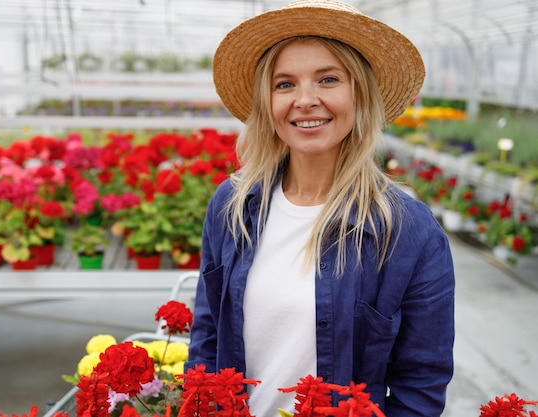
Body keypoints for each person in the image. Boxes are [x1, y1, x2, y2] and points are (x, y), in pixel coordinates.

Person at [186, 1, 455, 416]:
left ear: (359, 94)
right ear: (267, 102)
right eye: (285, 84)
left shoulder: (406, 231)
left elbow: (420, 382)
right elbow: (207, 337)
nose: (305, 100)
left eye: (328, 79)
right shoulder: (233, 205)